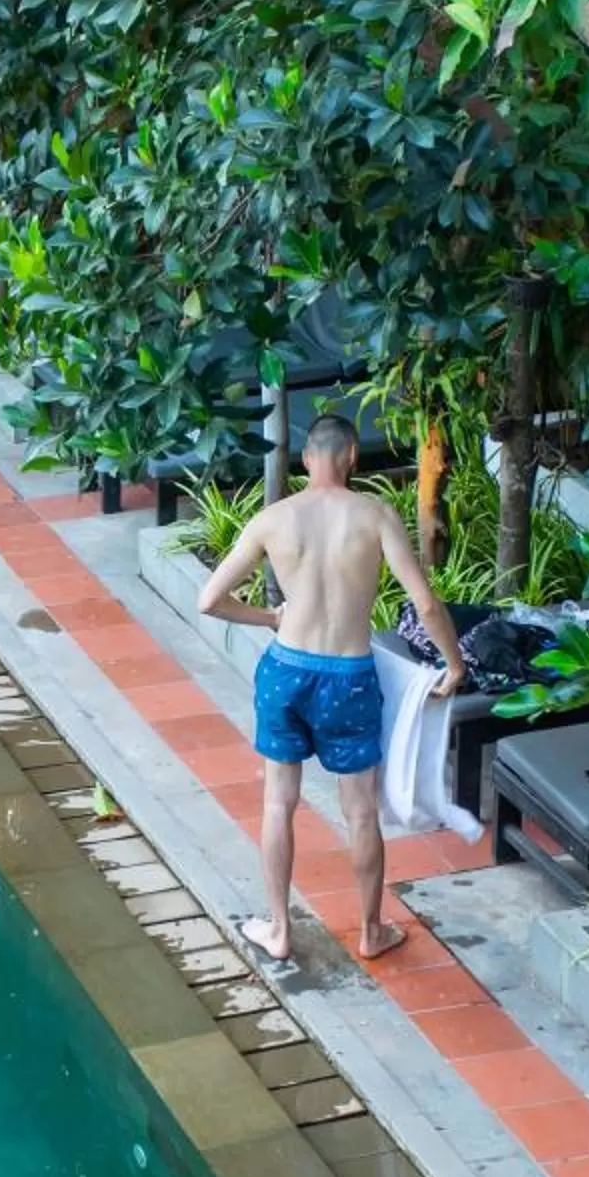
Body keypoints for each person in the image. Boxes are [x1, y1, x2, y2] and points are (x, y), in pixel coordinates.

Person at [196, 412, 467, 962]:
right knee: (360, 812)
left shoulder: (274, 519)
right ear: (352, 458)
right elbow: (426, 604)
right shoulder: (375, 516)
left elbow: (210, 601)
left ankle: (277, 929)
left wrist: (269, 619)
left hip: (286, 668)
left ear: (307, 459)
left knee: (279, 802)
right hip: (348, 675)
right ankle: (371, 931)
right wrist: (454, 665)